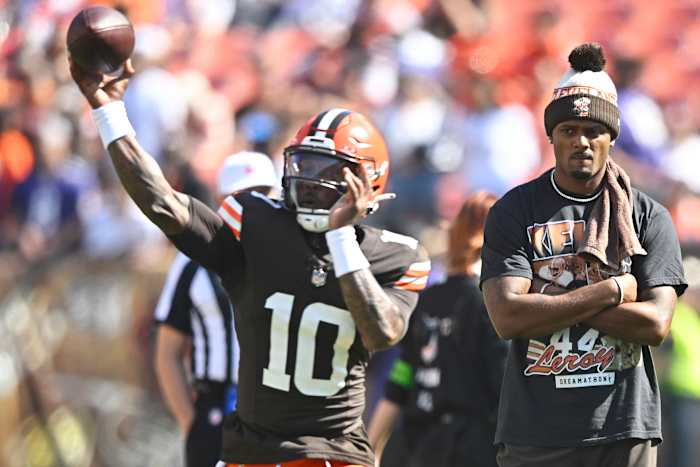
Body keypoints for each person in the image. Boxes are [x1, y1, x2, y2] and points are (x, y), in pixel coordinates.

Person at [69, 59, 430, 467]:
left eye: (326, 171)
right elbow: (163, 203)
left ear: (367, 182)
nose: (310, 182)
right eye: (304, 166)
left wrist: (340, 237)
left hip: (330, 454)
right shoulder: (258, 225)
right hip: (247, 451)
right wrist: (109, 112)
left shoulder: (396, 256)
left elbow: (382, 332)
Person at [480, 42, 687, 467]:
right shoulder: (514, 211)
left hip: (623, 428)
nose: (582, 141)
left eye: (593, 130)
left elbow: (655, 324)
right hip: (534, 432)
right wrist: (613, 290)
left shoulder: (647, 215)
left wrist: (547, 296)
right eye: (569, 130)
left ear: (611, 137)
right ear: (552, 136)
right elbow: (507, 318)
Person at [154, 151, 278, 467]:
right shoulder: (192, 261)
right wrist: (189, 422)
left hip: (280, 405)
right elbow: (167, 352)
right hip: (218, 404)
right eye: (242, 196)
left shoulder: (294, 257)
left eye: (263, 194)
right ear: (221, 199)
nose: (254, 205)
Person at [368, 191, 508, 467]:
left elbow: (402, 376)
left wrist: (370, 447)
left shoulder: (429, 299)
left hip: (416, 445)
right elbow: (504, 392)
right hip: (469, 449)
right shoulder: (492, 307)